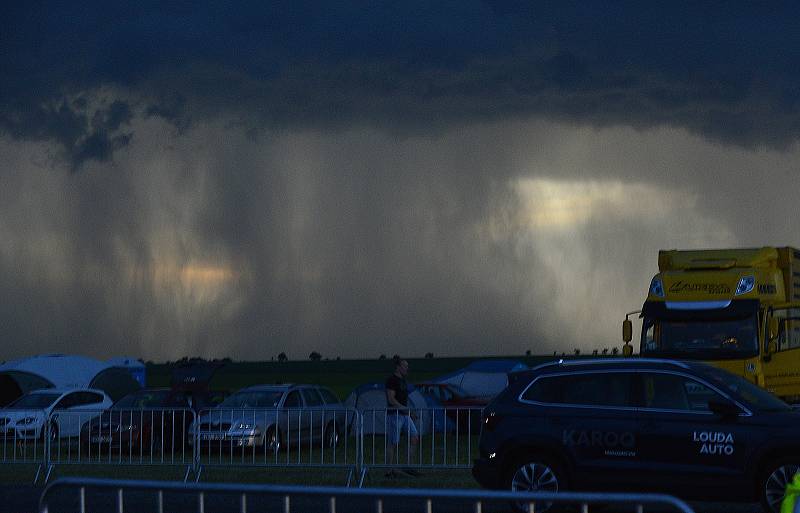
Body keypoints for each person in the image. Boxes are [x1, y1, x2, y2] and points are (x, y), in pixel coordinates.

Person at [385, 356, 419, 478]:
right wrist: (404, 409)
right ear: (398, 367)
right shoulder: (392, 380)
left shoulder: (403, 381)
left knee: (414, 437)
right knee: (393, 443)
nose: (407, 369)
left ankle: (408, 466)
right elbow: (391, 399)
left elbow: (404, 399)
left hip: (404, 415)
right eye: (405, 366)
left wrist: (410, 412)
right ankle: (388, 471)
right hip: (395, 415)